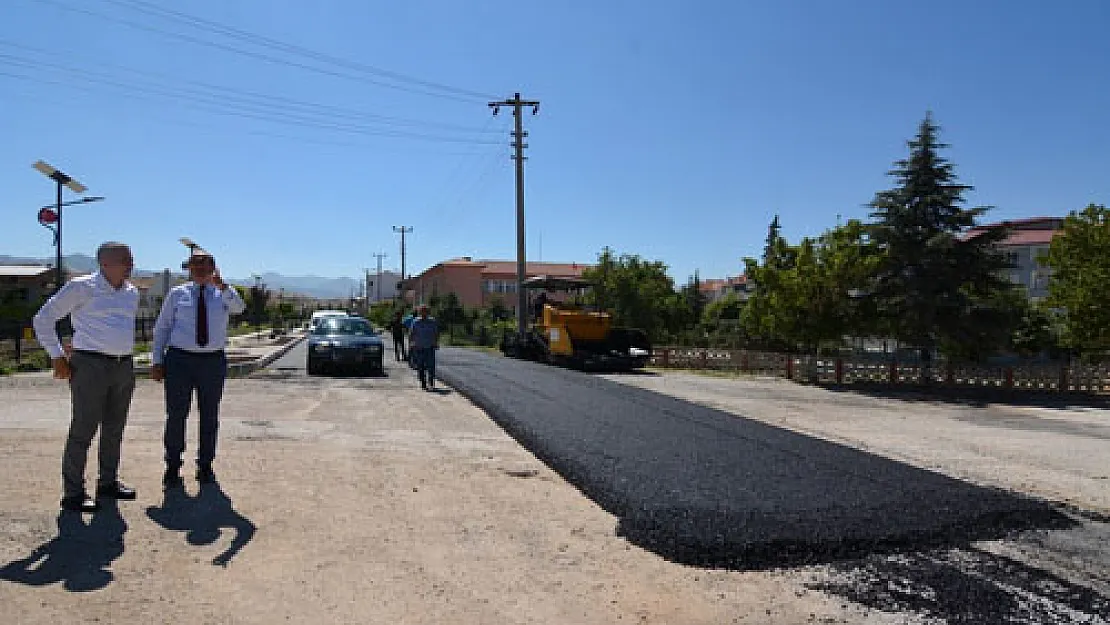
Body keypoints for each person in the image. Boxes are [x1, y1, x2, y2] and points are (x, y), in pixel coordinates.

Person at [32, 242, 139, 513]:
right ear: (105, 263)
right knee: (83, 430)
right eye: (125, 260)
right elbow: (43, 318)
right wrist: (56, 355)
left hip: (123, 366)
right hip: (91, 366)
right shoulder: (82, 287)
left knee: (114, 429)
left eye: (131, 259)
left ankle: (108, 483)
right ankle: (74, 493)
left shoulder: (131, 292)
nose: (130, 264)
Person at [151, 248, 246, 488]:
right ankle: (172, 465)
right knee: (176, 415)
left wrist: (223, 286)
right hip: (179, 360)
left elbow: (239, 309)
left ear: (214, 268)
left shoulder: (223, 294)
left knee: (209, 416)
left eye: (206, 266)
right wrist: (157, 360)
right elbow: (162, 328)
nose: (201, 270)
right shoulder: (177, 294)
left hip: (212, 362)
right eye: (196, 266)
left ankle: (205, 465)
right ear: (189, 269)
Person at [408, 304, 439, 390]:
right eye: (422, 311)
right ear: (419, 312)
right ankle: (423, 383)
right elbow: (411, 333)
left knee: (431, 366)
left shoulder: (432, 322)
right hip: (419, 347)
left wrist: (436, 342)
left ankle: (431, 383)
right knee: (420, 366)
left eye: (425, 311)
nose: (424, 313)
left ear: (428, 312)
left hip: (430, 347)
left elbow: (436, 333)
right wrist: (411, 344)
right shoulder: (415, 322)